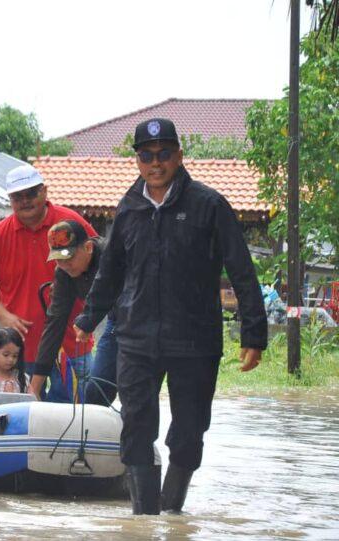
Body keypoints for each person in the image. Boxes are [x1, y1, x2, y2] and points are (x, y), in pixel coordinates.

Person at [73, 118, 267, 514]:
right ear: (138, 160)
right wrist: (87, 318)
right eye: (147, 155)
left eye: (164, 154)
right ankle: (144, 519)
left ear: (179, 155)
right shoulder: (128, 208)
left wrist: (254, 334)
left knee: (189, 430)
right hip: (136, 338)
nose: (156, 163)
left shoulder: (209, 205)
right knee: (137, 427)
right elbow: (110, 271)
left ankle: (173, 512)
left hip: (195, 341)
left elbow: (242, 270)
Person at [0, 164, 97, 375]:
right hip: (19, 347)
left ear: (44, 191)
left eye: (31, 193)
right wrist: (3, 316)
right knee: (25, 406)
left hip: (71, 341)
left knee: (81, 405)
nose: (25, 201)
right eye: (17, 197)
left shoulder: (70, 222)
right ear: (10, 200)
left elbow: (100, 259)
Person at [29, 221, 118, 405]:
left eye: (68, 258)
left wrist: (88, 321)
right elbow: (55, 323)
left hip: (140, 321)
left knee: (133, 388)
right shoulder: (63, 273)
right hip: (115, 324)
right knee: (95, 394)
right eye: (58, 260)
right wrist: (34, 388)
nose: (64, 265)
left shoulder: (113, 255)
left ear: (87, 247)